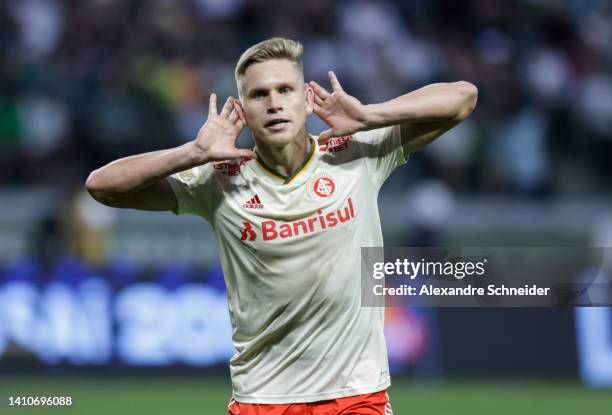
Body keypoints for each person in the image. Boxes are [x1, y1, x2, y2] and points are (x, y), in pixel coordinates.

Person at [86, 37, 477, 415]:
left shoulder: (356, 153)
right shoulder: (217, 179)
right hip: (264, 397)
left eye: (285, 90)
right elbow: (102, 187)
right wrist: (194, 152)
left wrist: (370, 115)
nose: (274, 104)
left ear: (307, 99)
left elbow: (463, 97)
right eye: (259, 95)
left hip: (357, 395)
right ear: (242, 111)